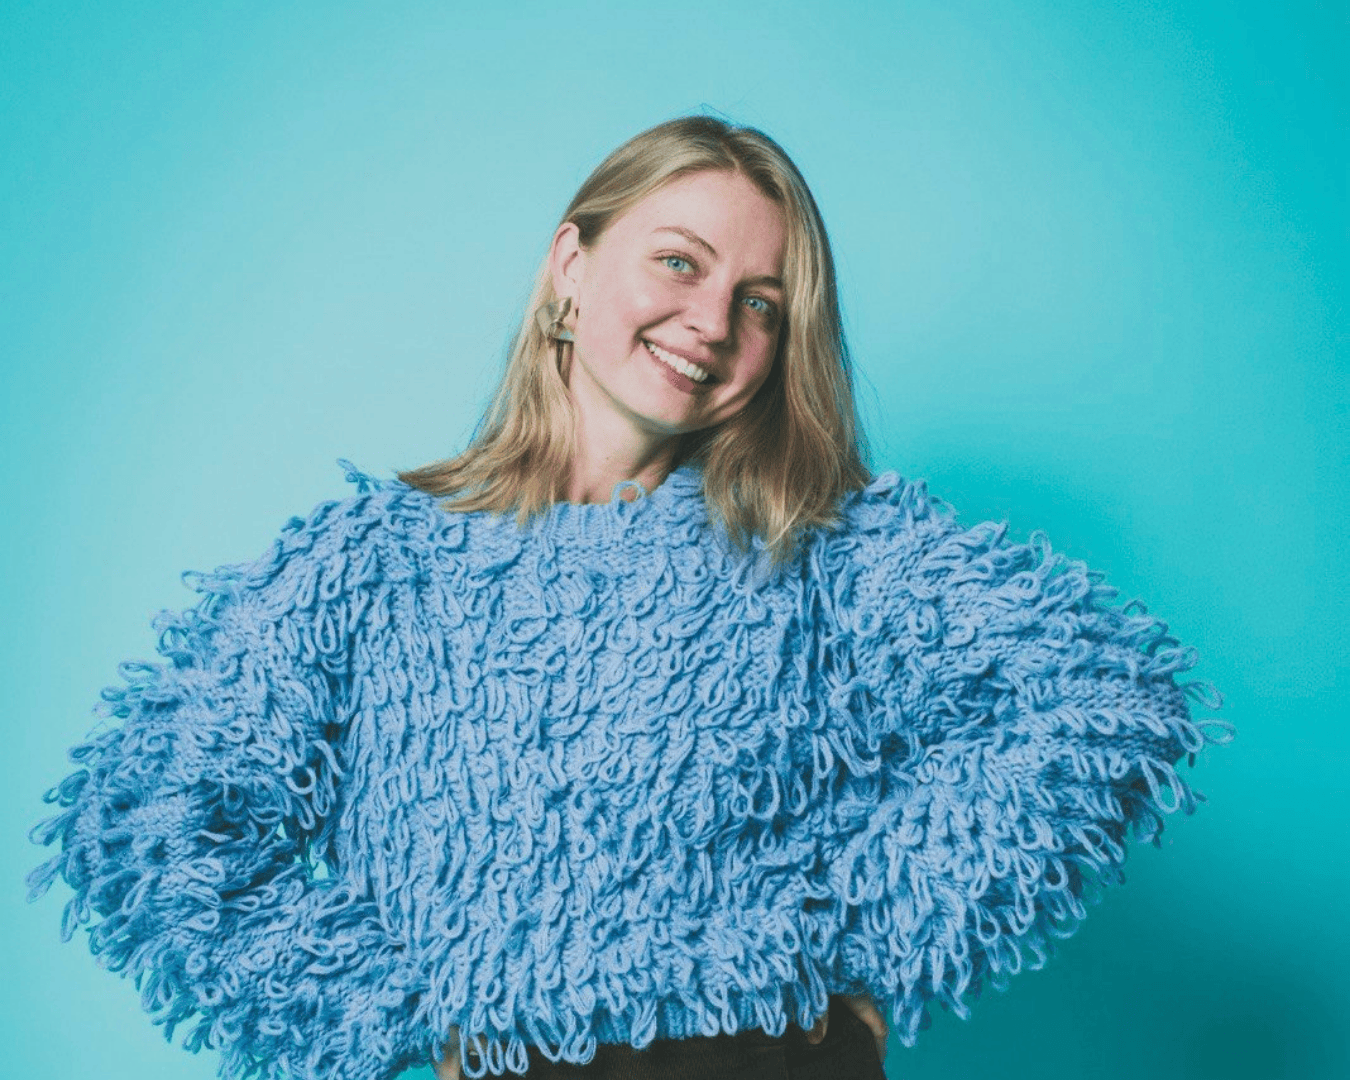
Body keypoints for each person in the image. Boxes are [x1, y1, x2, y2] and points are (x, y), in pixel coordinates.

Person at [27, 116, 1224, 1080]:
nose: (712, 320)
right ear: (570, 266)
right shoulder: (371, 564)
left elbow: (1102, 696)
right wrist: (387, 1025)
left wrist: (861, 937)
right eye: (679, 262)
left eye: (763, 301)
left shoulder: (825, 552)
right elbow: (142, 816)